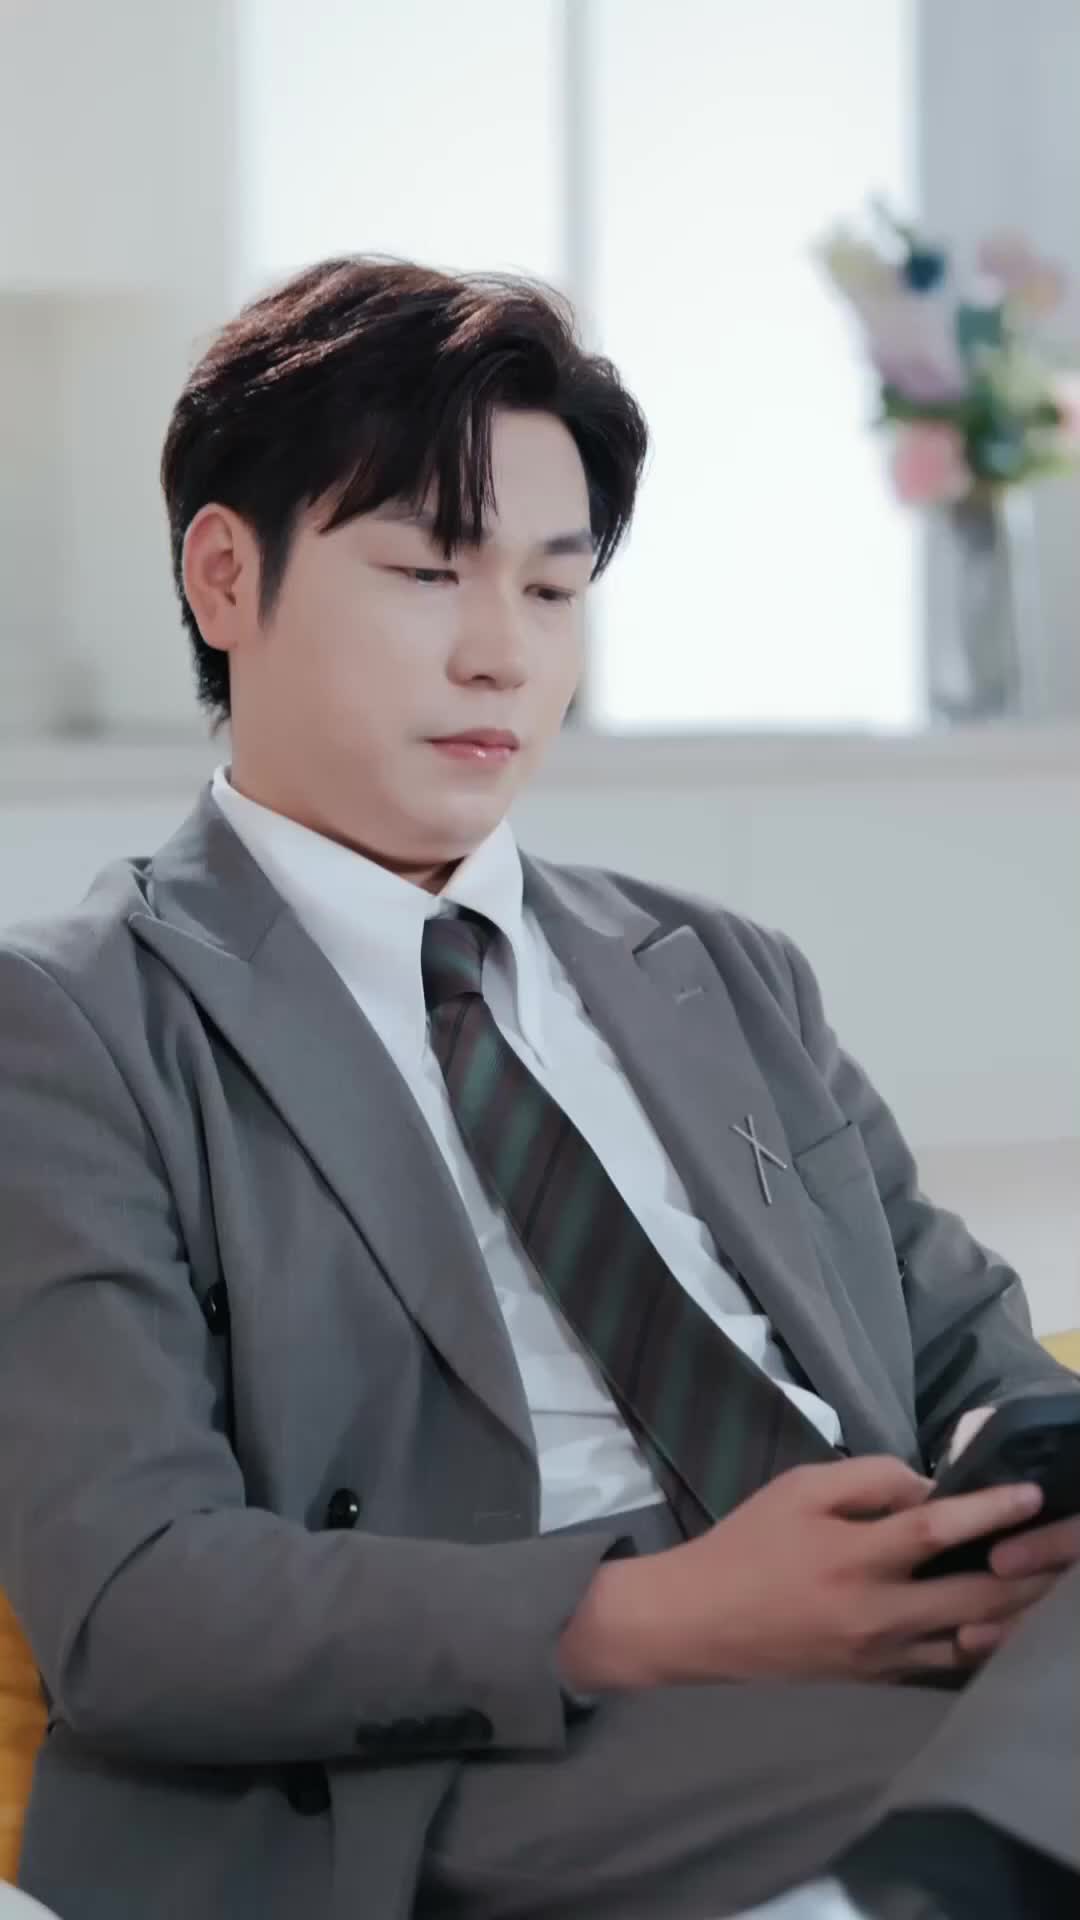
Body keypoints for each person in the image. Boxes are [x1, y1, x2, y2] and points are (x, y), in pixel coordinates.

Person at [0, 256, 1077, 1920]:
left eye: (555, 591)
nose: (503, 655)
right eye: (426, 573)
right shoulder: (73, 1024)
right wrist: (662, 1619)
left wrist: (1022, 1516)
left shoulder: (720, 973)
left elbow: (968, 1356)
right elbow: (137, 1601)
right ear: (225, 577)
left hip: (888, 1663)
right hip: (448, 1761)